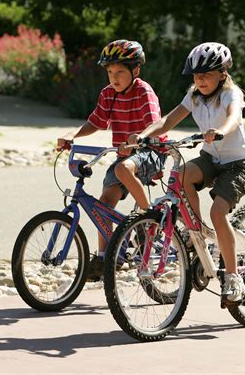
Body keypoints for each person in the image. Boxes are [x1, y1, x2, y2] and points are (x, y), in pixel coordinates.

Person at [128, 42, 245, 305]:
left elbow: (232, 118)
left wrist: (220, 130)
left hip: (237, 164)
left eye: (206, 75)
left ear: (222, 74)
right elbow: (168, 120)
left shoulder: (231, 94)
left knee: (218, 212)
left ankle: (232, 277)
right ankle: (195, 232)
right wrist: (143, 135)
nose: (200, 80)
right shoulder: (194, 95)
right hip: (211, 159)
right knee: (182, 173)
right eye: (196, 76)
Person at [57, 39, 167, 281]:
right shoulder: (109, 94)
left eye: (119, 72)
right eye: (109, 72)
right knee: (104, 205)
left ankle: (149, 220)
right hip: (124, 156)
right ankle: (105, 256)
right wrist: (71, 135)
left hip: (151, 152)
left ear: (135, 71)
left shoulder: (143, 91)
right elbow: (96, 122)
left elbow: (154, 123)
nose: (113, 78)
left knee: (124, 169)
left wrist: (138, 139)